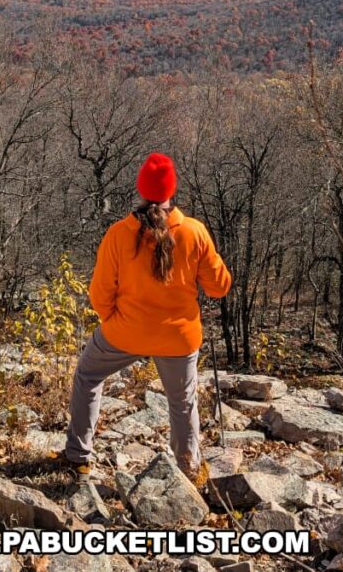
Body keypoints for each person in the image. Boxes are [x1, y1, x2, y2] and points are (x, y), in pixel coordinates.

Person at [59, 152, 232, 483]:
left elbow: (98, 295)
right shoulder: (194, 232)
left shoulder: (118, 234)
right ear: (172, 191)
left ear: (139, 189)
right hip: (179, 339)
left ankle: (78, 457)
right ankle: (188, 471)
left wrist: (116, 321)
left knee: (88, 376)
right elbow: (219, 287)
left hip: (125, 332)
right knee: (182, 404)